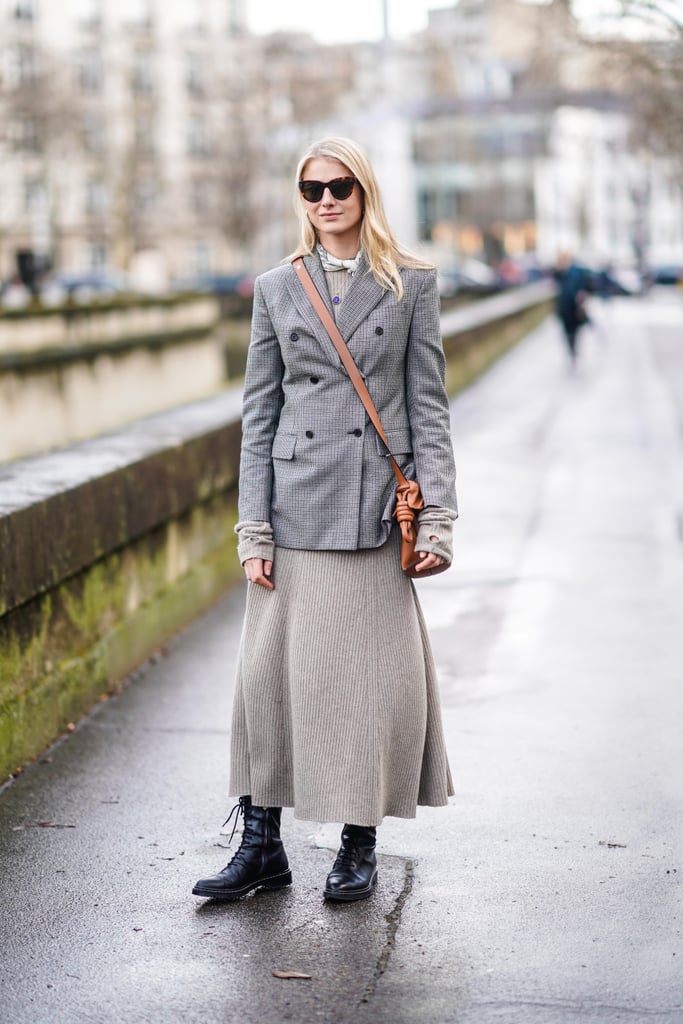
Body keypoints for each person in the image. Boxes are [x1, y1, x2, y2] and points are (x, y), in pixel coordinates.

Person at [192, 136, 457, 904]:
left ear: (364, 191)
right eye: (312, 189)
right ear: (301, 199)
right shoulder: (278, 287)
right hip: (294, 505)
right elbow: (258, 414)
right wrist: (252, 530)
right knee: (267, 683)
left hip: (375, 512)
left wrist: (435, 518)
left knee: (365, 688)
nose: (327, 200)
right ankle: (262, 843)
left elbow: (429, 409)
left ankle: (357, 843)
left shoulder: (412, 284)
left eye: (340, 186)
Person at [554, 252, 590, 363]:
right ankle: (572, 351)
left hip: (575, 307)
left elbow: (585, 286)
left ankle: (574, 350)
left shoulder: (576, 272)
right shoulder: (559, 273)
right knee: (567, 332)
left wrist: (582, 295)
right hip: (564, 308)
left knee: (575, 332)